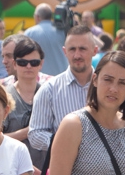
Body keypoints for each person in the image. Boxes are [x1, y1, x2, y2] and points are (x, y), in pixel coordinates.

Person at [27, 24, 100, 160]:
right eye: (72, 49)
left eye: (82, 49)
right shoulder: (49, 90)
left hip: (102, 168)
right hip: (64, 167)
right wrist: (65, 143)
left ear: (95, 50)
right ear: (65, 51)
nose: (77, 55)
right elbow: (35, 133)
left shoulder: (106, 87)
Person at [1, 34, 47, 167]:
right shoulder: (4, 96)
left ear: (41, 64)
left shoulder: (49, 95)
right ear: (15, 64)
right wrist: (28, 132)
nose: (28, 66)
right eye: (22, 62)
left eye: (34, 62)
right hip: (12, 169)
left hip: (46, 172)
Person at [26, 4, 69, 77]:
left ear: (37, 17)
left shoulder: (29, 33)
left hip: (41, 79)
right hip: (62, 77)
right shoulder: (63, 31)